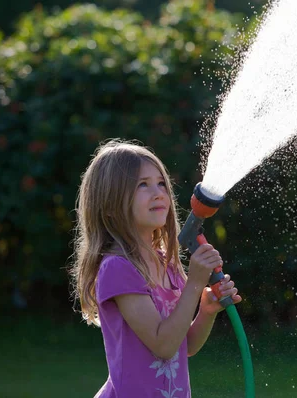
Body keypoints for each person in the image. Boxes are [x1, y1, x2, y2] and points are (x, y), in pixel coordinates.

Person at [70, 139, 242, 398]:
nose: (158, 192)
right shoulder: (118, 268)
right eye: (142, 185)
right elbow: (163, 344)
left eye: (161, 183)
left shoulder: (166, 264)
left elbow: (183, 346)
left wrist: (206, 310)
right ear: (110, 207)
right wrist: (195, 284)